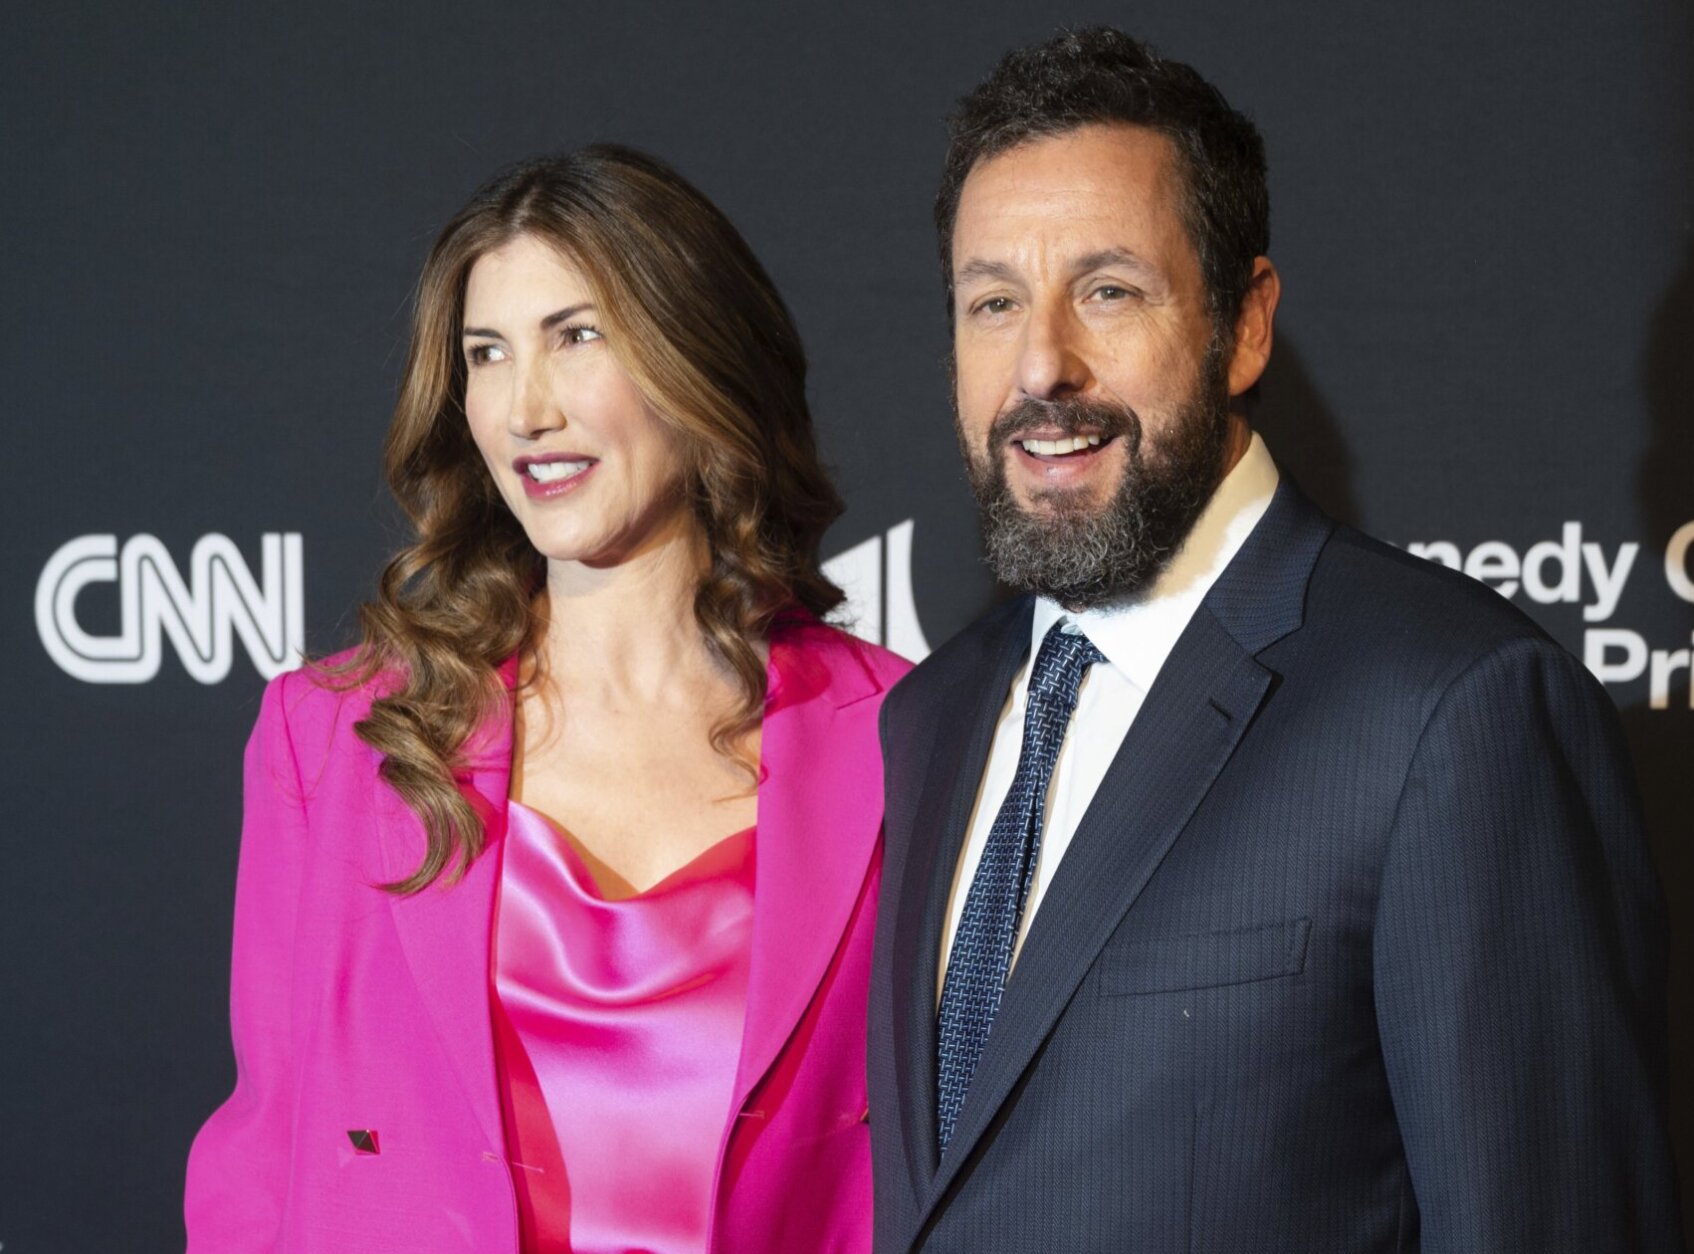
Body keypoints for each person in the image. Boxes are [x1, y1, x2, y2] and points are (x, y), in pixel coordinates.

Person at [867, 28, 1683, 1252]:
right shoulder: (927, 718)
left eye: (1107, 290)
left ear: (1243, 324)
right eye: (992, 303)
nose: (1041, 365)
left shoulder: (1447, 709)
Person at [185, 144, 908, 1253]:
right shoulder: (332, 739)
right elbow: (257, 1171)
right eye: (486, 354)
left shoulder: (905, 734)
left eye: (577, 337)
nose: (524, 408)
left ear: (698, 358)